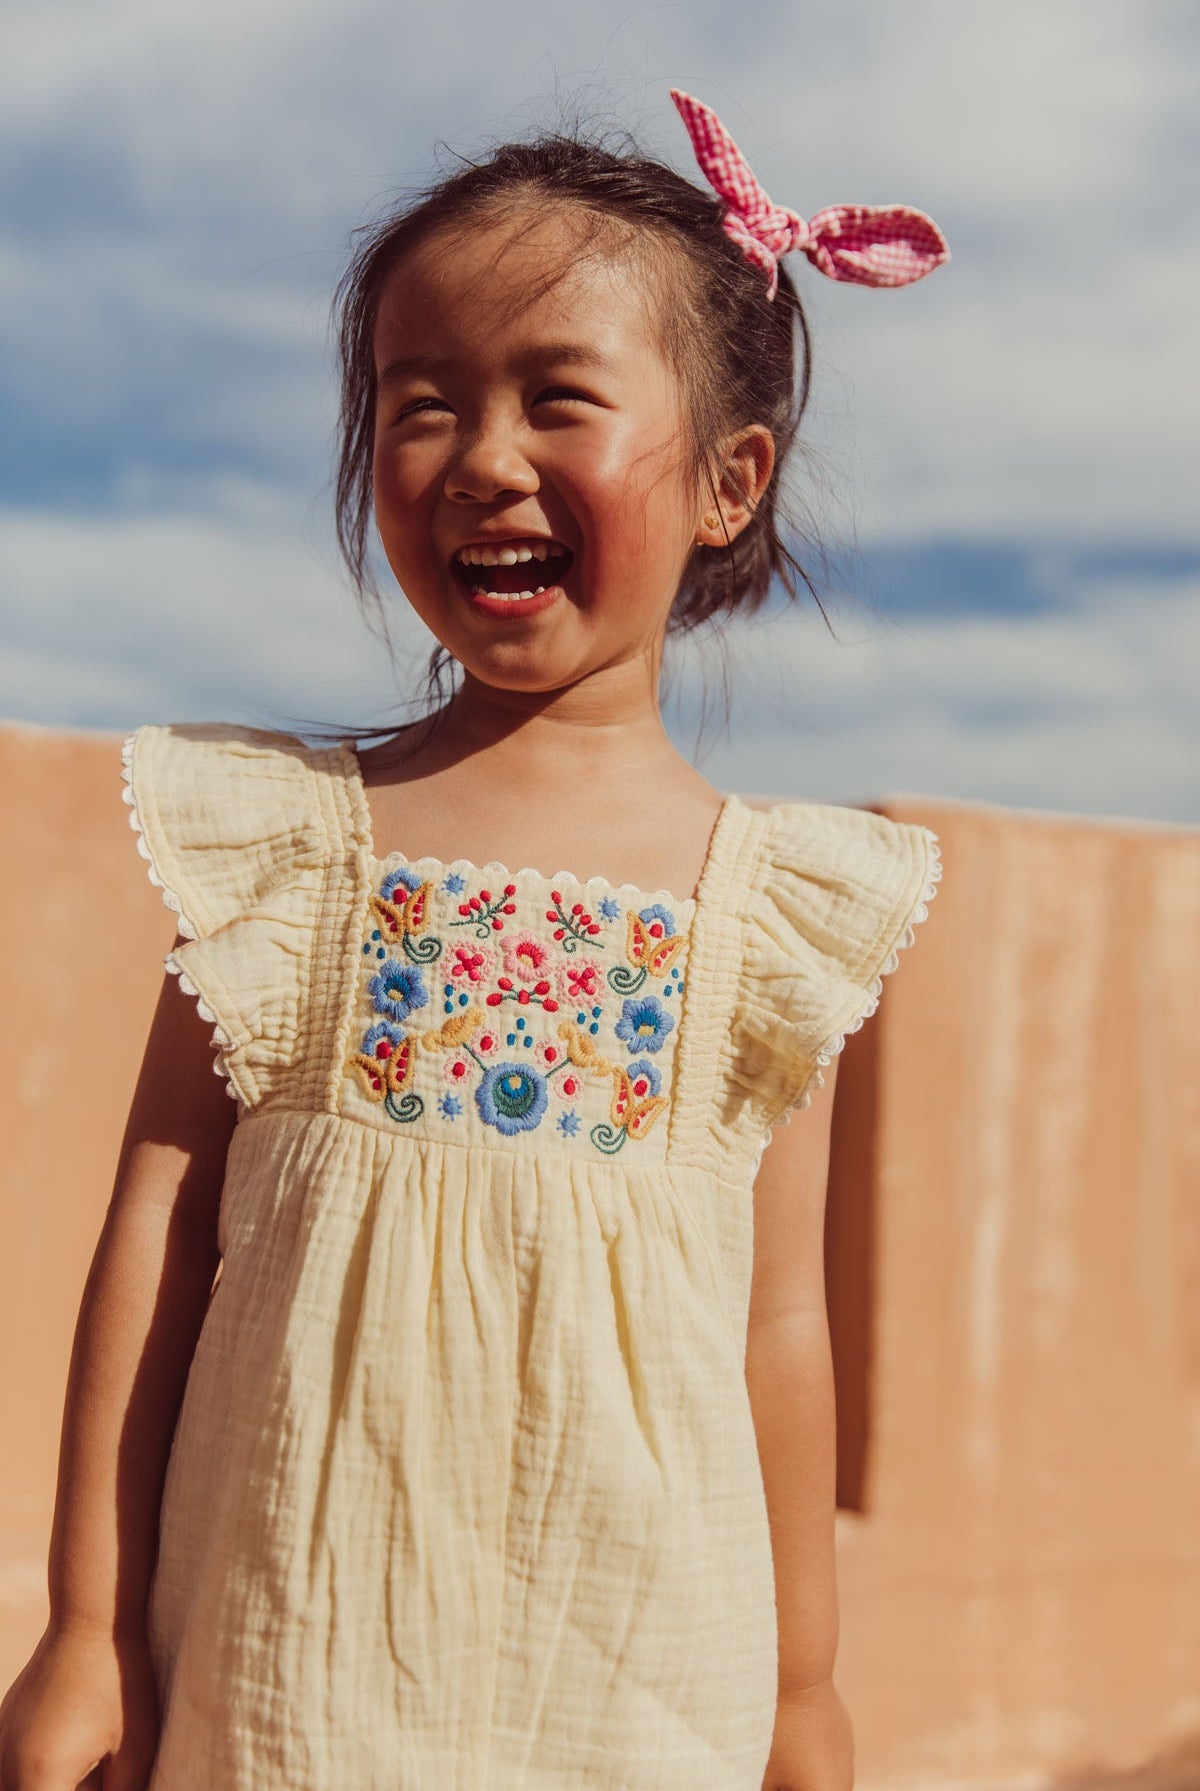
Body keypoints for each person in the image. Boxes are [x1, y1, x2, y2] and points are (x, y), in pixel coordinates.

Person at [0, 89, 945, 1791]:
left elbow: (778, 1325)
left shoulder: (772, 913)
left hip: (643, 1683)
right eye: (420, 405)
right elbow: (159, 1235)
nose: (482, 459)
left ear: (730, 481)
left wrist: (804, 1684)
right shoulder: (292, 850)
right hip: (291, 1659)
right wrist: (86, 1626)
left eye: (556, 398)